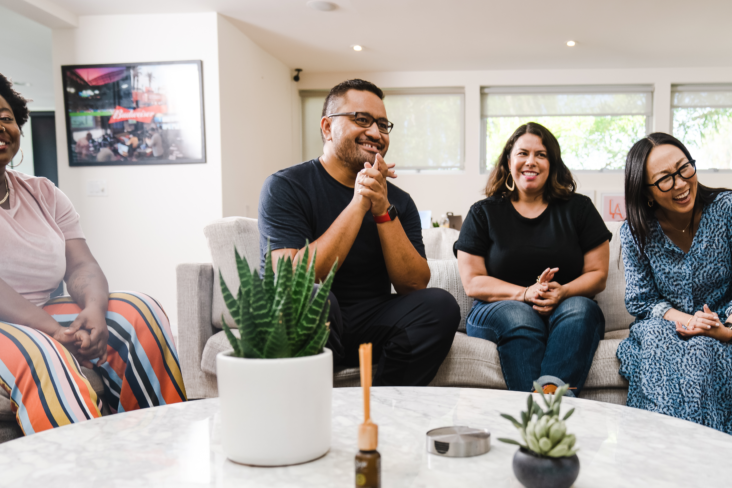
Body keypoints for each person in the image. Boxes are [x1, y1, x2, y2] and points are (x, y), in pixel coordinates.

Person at [0, 59, 185, 456]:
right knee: (41, 349)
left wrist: (95, 310)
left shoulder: (43, 192)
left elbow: (82, 264)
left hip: (41, 307)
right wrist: (50, 329)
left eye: (6, 117)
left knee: (139, 311)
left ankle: (157, 453)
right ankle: (87, 471)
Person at [258, 79, 459, 386]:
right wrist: (359, 202)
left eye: (382, 124)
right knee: (309, 298)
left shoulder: (398, 201)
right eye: (361, 120)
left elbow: (414, 284)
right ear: (327, 127)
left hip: (372, 322)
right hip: (315, 323)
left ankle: (382, 407)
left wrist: (381, 207)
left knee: (440, 306)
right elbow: (291, 280)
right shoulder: (286, 187)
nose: (376, 133)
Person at [616, 132, 732, 445]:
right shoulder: (634, 232)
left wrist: (726, 329)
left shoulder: (728, 207)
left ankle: (709, 455)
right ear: (647, 192)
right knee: (659, 341)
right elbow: (641, 301)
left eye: (685, 169)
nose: (681, 183)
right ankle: (663, 452)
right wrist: (688, 320)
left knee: (702, 351)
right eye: (665, 179)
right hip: (670, 323)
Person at [454, 122, 611, 395]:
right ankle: (546, 420)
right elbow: (473, 282)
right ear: (508, 160)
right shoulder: (483, 213)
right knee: (520, 315)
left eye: (541, 154)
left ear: (552, 163)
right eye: (523, 153)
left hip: (567, 303)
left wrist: (562, 291)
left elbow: (598, 274)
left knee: (580, 310)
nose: (531, 161)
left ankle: (542, 413)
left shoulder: (579, 209)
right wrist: (526, 293)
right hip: (499, 308)